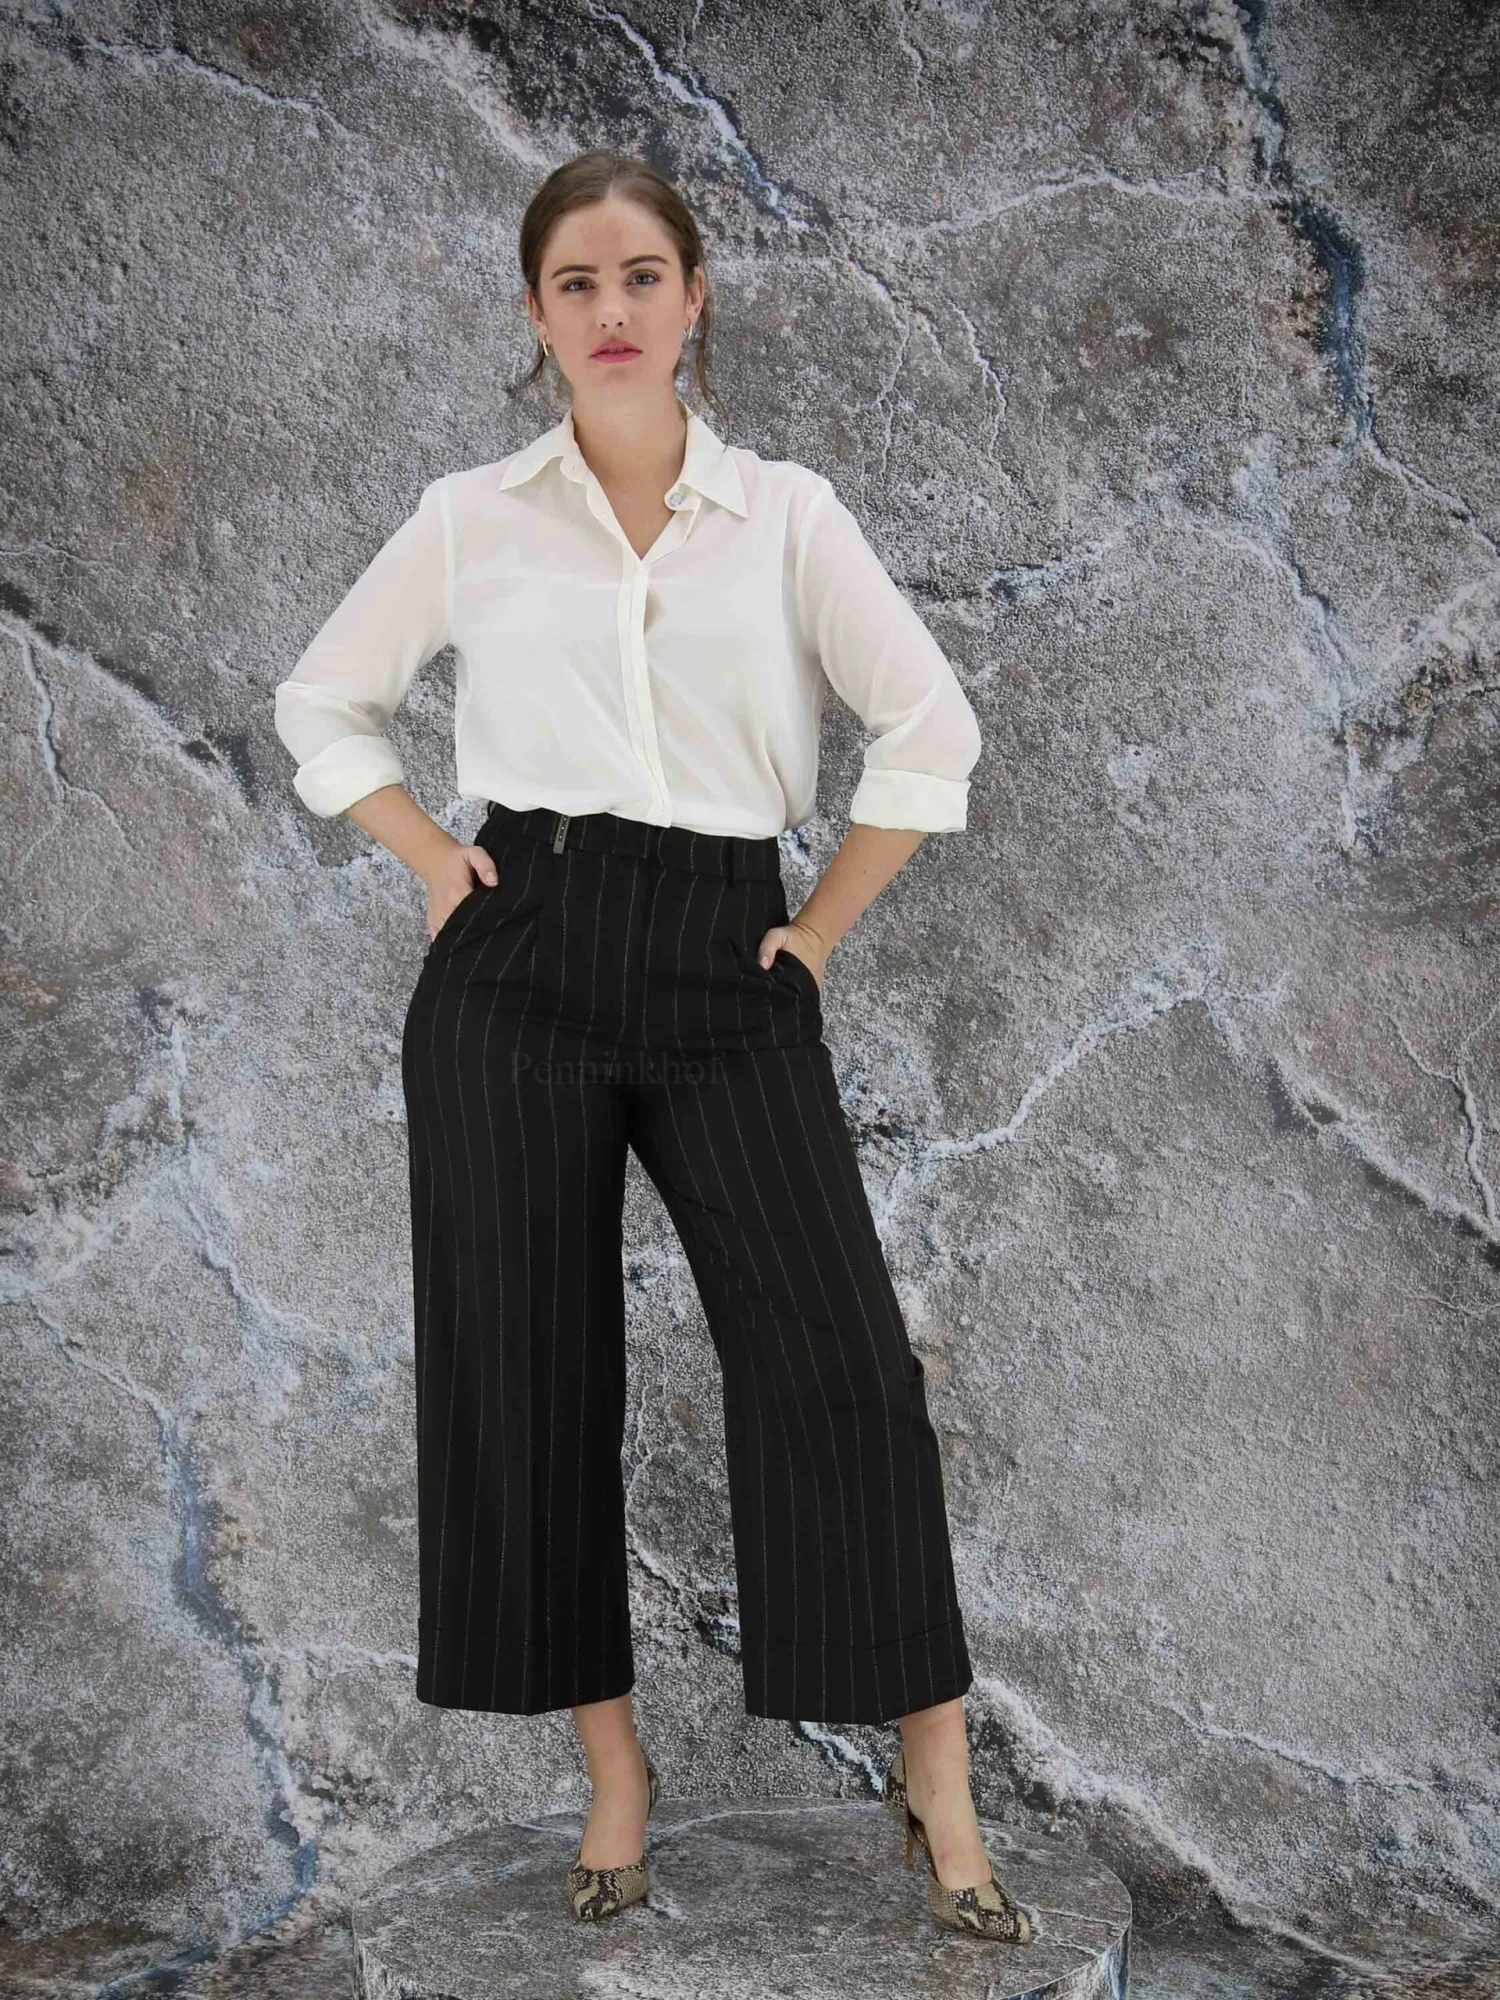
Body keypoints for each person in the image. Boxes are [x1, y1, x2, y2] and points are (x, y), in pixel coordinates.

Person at [272, 148, 1032, 1945]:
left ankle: (937, 1774)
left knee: (843, 1363)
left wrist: (815, 936)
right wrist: (431, 859)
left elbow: (930, 727)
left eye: (639, 276)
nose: (610, 310)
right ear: (536, 316)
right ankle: (616, 1773)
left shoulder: (786, 515)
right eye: (575, 282)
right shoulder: (472, 515)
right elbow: (324, 700)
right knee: (525, 1373)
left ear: (695, 298)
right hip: (517, 956)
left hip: (721, 949)